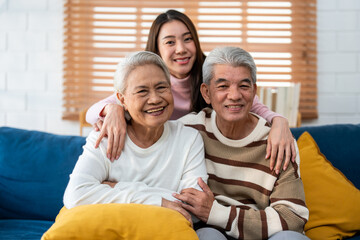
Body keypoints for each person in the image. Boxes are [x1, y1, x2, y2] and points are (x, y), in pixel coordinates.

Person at [85, 10, 295, 175]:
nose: (181, 49)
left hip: (202, 161)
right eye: (170, 42)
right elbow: (91, 113)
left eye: (187, 39)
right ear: (156, 50)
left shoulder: (212, 78)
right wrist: (112, 109)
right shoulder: (146, 84)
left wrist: (280, 122)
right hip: (161, 159)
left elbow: (254, 105)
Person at [173, 46, 309, 240]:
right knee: (206, 236)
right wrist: (114, 111)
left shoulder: (279, 141)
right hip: (212, 231)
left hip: (265, 236)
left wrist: (216, 213)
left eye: (244, 86)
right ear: (206, 93)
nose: (235, 95)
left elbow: (292, 217)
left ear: (254, 91)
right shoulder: (187, 131)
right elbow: (141, 124)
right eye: (223, 86)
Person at [63, 51, 209, 227]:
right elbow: (75, 195)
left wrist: (115, 187)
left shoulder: (189, 139)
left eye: (162, 87)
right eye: (142, 91)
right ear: (121, 99)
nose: (155, 99)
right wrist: (158, 201)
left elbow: (192, 210)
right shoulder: (104, 138)